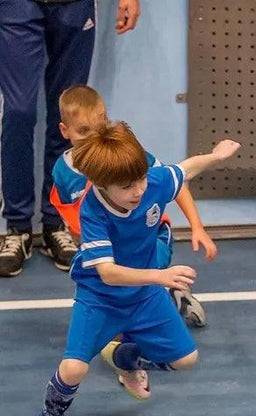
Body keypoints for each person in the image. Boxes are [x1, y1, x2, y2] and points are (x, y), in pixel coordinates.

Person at [25, 122, 241, 416]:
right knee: (74, 368)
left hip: (143, 296)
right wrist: (161, 276)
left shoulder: (148, 183)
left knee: (185, 360)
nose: (139, 190)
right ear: (100, 184)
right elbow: (108, 272)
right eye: (127, 186)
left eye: (141, 179)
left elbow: (185, 170)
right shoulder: (93, 211)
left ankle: (125, 359)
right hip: (100, 297)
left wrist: (215, 157)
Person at [51, 85, 215, 326]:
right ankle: (160, 295)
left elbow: (175, 183)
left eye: (98, 128)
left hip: (152, 236)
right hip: (114, 246)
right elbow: (75, 219)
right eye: (83, 131)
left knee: (136, 279)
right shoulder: (62, 173)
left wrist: (197, 226)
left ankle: (164, 291)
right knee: (111, 285)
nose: (93, 137)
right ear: (65, 131)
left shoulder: (129, 157)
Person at [0, 0, 140, 277]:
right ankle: (18, 228)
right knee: (18, 113)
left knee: (71, 119)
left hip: (74, 5)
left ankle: (57, 222)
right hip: (16, 6)